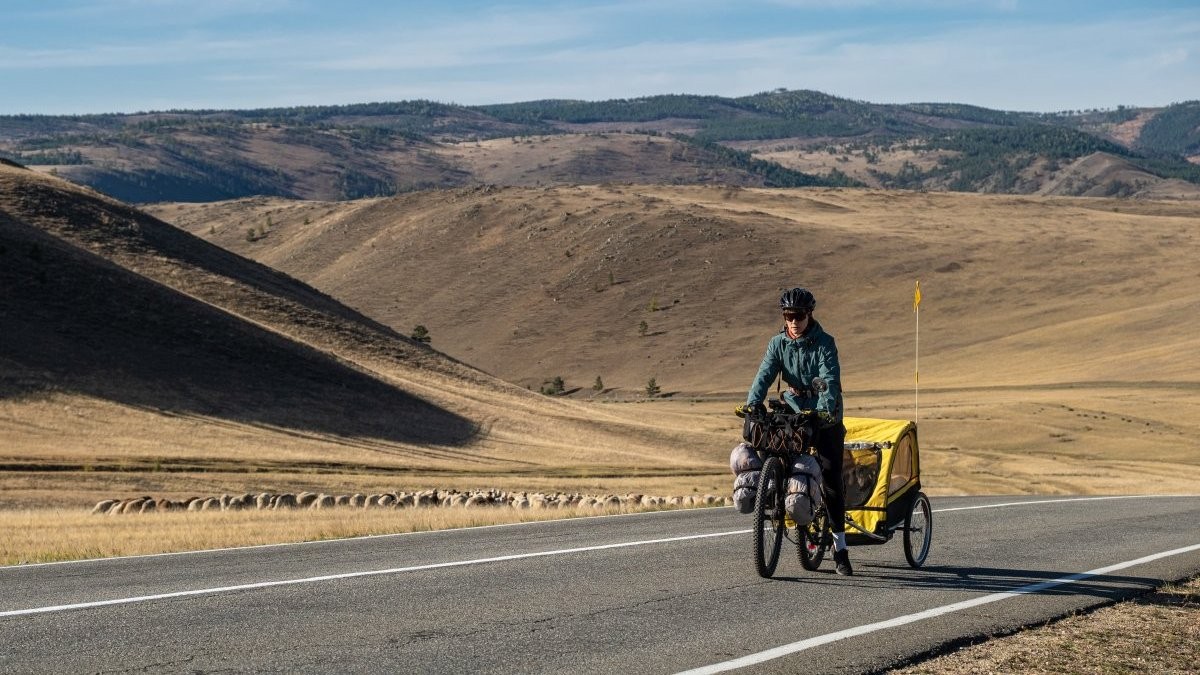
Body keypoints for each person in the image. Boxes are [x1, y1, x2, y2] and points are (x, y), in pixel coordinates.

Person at [737, 287, 852, 576]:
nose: (794, 321)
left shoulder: (825, 343)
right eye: (789, 316)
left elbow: (828, 379)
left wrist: (823, 409)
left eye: (799, 316)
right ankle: (774, 491)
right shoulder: (778, 344)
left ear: (809, 315)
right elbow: (764, 374)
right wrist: (753, 403)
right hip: (792, 406)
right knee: (769, 449)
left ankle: (840, 549)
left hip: (825, 414)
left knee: (830, 475)